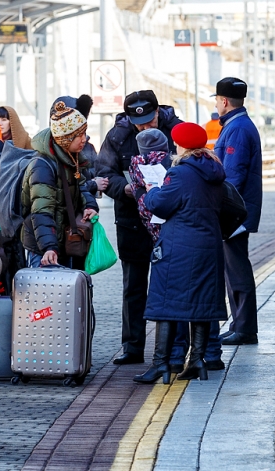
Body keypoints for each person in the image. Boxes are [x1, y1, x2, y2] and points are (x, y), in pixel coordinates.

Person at [133, 123, 226, 384]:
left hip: (180, 246)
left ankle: (160, 364)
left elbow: (160, 206)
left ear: (182, 146)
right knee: (200, 305)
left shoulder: (180, 174)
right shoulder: (214, 171)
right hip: (208, 246)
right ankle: (197, 361)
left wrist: (152, 192)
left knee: (166, 304)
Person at [96, 90, 182, 365]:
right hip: (131, 219)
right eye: (139, 123)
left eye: (149, 120)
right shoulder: (117, 136)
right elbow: (103, 173)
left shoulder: (175, 129)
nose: (145, 127)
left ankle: (170, 350)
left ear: (159, 111)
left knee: (170, 283)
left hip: (167, 218)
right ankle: (132, 346)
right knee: (133, 284)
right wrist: (126, 190)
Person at [213, 77, 263, 346]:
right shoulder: (238, 125)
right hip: (237, 211)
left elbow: (232, 175)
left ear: (223, 101)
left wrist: (220, 206)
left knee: (237, 270)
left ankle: (244, 328)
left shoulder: (238, 130)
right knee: (234, 269)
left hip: (235, 213)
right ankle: (239, 325)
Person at [21, 100, 99, 269]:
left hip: (63, 241)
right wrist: (49, 247)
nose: (84, 139)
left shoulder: (70, 157)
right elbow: (41, 210)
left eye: (84, 133)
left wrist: (89, 205)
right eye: (78, 135)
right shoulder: (42, 166)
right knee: (44, 294)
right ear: (64, 139)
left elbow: (81, 185)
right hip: (43, 247)